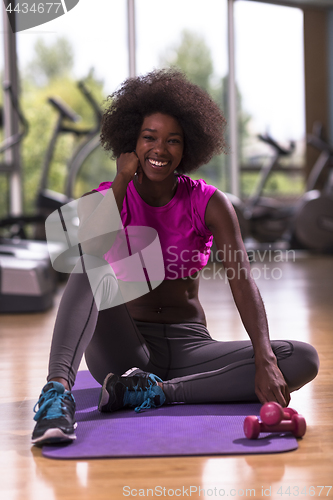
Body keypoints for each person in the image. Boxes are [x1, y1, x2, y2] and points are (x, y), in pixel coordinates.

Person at [32, 69, 319, 445]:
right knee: (90, 255)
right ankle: (56, 394)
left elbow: (241, 278)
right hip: (126, 349)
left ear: (187, 148)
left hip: (191, 347)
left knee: (301, 358)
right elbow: (86, 252)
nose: (160, 149)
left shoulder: (208, 202)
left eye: (173, 140)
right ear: (132, 142)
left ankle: (156, 392)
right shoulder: (109, 195)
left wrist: (264, 357)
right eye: (149, 138)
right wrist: (121, 179)